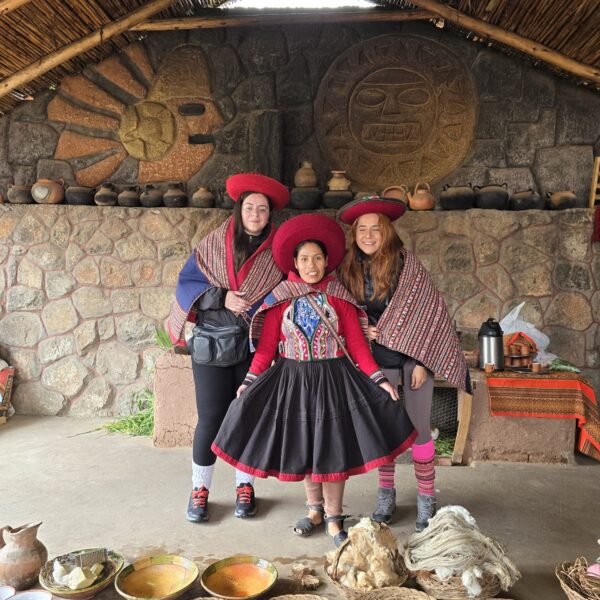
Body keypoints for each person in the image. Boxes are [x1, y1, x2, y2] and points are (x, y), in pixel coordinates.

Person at [211, 214, 416, 546]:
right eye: (305, 259)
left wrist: (379, 380)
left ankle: (334, 518)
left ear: (326, 261)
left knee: (332, 451)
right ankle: (314, 511)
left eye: (317, 258)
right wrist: (248, 382)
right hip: (292, 382)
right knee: (306, 447)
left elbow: (358, 347)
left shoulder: (338, 297)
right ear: (294, 262)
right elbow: (265, 350)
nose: (311, 265)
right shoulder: (280, 299)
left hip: (334, 381)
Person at [337, 196, 471, 532]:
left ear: (387, 231)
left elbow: (428, 314)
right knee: (384, 428)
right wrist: (361, 325)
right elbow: (341, 310)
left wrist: (422, 360)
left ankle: (427, 498)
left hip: (413, 359)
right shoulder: (347, 268)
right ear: (354, 234)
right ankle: (386, 495)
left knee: (420, 429)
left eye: (375, 229)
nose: (368, 235)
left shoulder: (408, 267)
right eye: (362, 229)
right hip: (374, 360)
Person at [167, 173, 290, 523]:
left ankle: (244, 487)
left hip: (254, 344)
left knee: (247, 417)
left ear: (269, 214)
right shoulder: (213, 244)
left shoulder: (277, 251)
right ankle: (199, 490)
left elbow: (286, 288)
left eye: (262, 209)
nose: (255, 214)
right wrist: (222, 297)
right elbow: (187, 283)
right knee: (210, 419)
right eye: (249, 207)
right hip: (212, 344)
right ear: (239, 209)